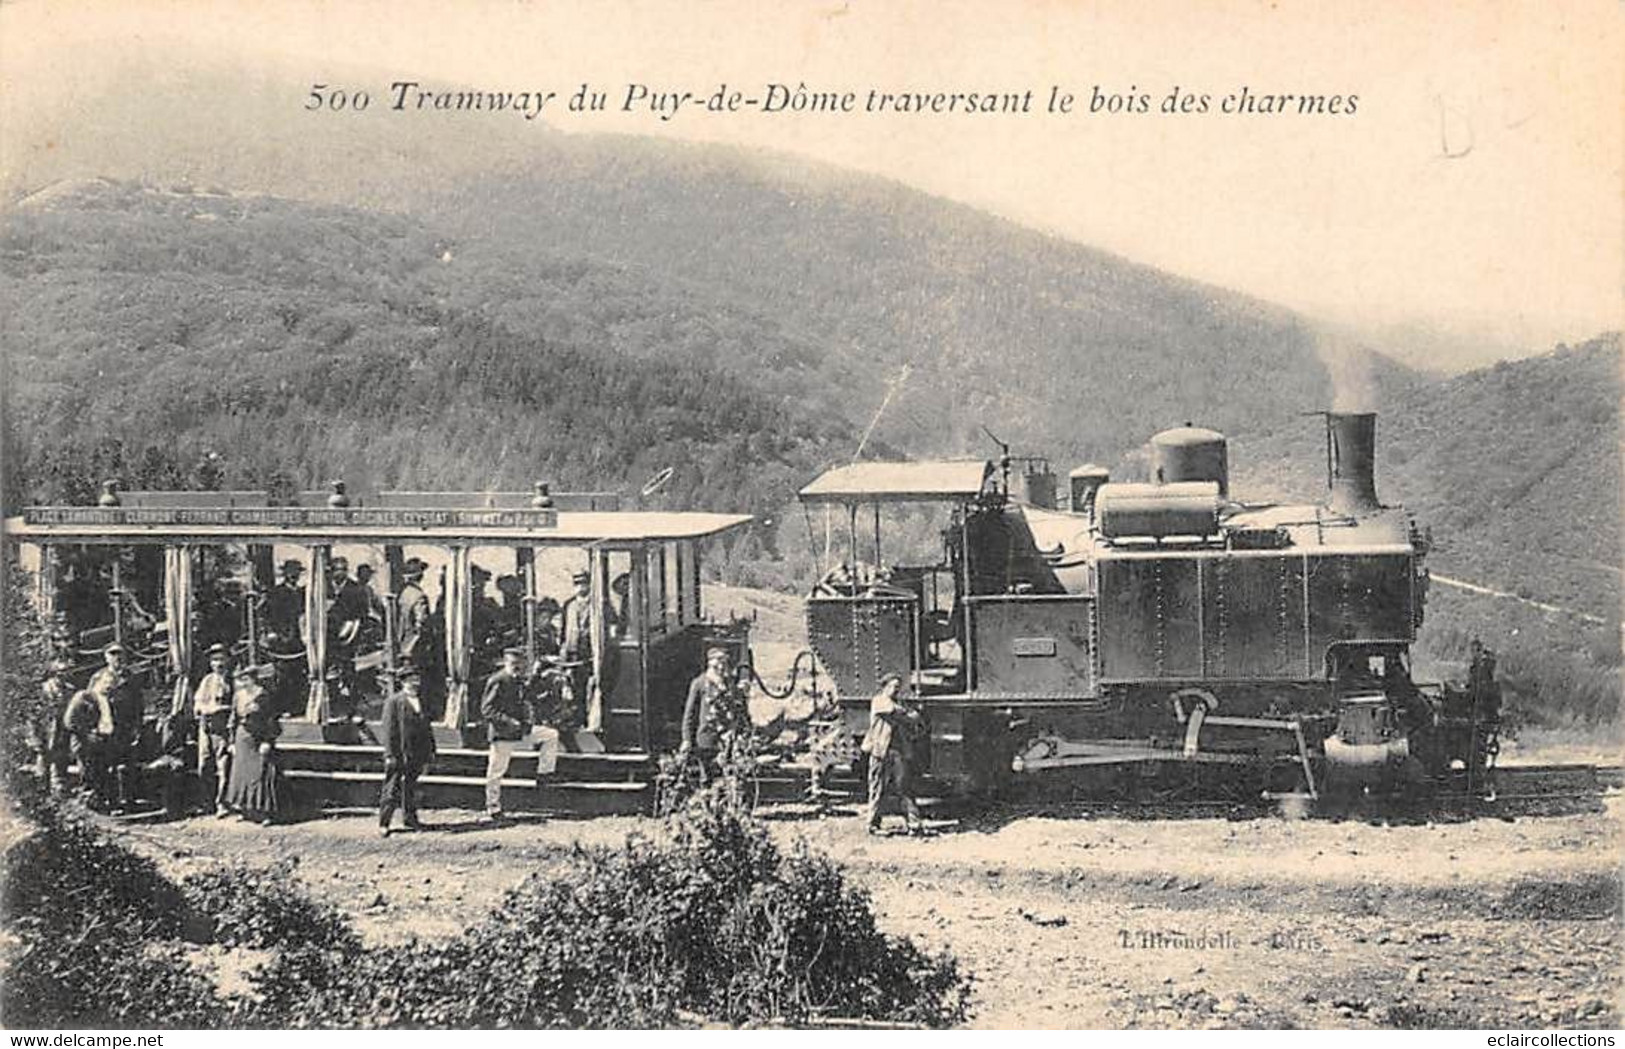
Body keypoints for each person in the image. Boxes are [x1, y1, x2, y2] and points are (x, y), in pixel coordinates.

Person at [861, 673, 925, 836]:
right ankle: (873, 824)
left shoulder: (898, 703)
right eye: (894, 686)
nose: (897, 690)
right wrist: (907, 713)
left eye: (898, 687)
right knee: (877, 788)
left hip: (898, 752)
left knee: (905, 787)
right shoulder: (878, 701)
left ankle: (914, 824)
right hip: (880, 750)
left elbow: (914, 718)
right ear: (885, 686)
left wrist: (908, 714)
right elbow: (894, 711)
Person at [379, 665, 435, 837]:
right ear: (403, 682)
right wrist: (389, 754)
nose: (414, 683)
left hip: (416, 752)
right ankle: (384, 823)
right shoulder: (394, 701)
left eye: (416, 679)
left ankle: (410, 818)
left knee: (410, 787)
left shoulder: (421, 701)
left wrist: (431, 749)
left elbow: (427, 727)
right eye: (410, 680)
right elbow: (388, 730)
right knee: (392, 788)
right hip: (399, 753)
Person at [224, 666, 284, 825]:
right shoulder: (238, 696)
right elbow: (232, 719)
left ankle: (264, 813)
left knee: (260, 774)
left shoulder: (264, 695)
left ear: (253, 678)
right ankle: (245, 810)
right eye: (241, 678)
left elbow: (271, 720)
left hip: (259, 737)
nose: (243, 681)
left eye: (246, 678)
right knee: (241, 774)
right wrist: (231, 742)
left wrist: (267, 741)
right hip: (242, 737)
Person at [89, 643, 144, 813]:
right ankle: (111, 802)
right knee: (108, 765)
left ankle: (129, 800)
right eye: (112, 654)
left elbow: (138, 704)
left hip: (125, 727)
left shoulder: (131, 677)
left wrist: (137, 726)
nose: (117, 657)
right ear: (106, 657)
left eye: (120, 654)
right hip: (106, 727)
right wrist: (92, 726)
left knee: (127, 765)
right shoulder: (98, 677)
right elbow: (90, 702)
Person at [679, 647, 745, 784]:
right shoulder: (699, 683)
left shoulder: (730, 683)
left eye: (724, 664)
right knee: (707, 779)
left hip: (727, 740)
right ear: (710, 664)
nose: (721, 668)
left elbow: (738, 709)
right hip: (706, 740)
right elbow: (689, 715)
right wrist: (686, 739)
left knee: (729, 778)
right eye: (718, 664)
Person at [480, 648, 532, 820]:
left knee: (550, 736)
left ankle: (545, 774)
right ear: (505, 662)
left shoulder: (518, 681)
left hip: (518, 731)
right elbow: (487, 709)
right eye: (513, 663)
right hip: (501, 732)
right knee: (496, 770)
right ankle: (493, 806)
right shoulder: (498, 680)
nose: (517, 667)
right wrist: (508, 721)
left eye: (520, 663)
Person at [193, 642, 235, 816]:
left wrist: (221, 709)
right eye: (214, 660)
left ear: (228, 660)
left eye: (221, 659)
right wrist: (202, 708)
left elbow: (236, 706)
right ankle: (206, 802)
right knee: (204, 765)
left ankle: (221, 803)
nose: (218, 663)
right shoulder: (207, 680)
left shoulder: (232, 681)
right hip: (205, 728)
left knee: (223, 766)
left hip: (222, 728)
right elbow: (198, 703)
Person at [36, 659, 74, 795]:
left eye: (66, 672)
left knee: (61, 755)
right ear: (54, 673)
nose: (63, 675)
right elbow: (38, 711)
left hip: (63, 726)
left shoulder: (70, 689)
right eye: (60, 672)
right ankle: (41, 788)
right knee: (44, 754)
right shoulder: (44, 688)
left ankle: (58, 787)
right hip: (47, 725)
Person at [396, 558, 431, 662]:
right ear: (420, 576)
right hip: (413, 648)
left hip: (401, 645)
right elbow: (421, 623)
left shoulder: (403, 593)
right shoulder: (419, 595)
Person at [262, 559, 306, 641]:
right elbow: (269, 613)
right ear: (285, 574)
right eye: (291, 571)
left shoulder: (302, 592)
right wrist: (271, 631)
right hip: (282, 633)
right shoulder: (276, 592)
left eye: (296, 572)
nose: (294, 575)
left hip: (300, 634)